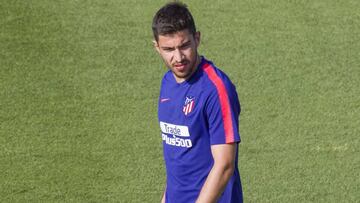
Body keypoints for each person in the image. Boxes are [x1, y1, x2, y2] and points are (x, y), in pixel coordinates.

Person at [152, 2, 243, 203]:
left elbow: (225, 165)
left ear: (197, 39)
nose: (178, 57)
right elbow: (178, 157)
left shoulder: (216, 89)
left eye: (184, 46)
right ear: (157, 47)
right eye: (168, 49)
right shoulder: (167, 83)